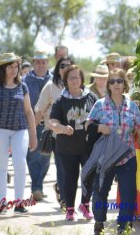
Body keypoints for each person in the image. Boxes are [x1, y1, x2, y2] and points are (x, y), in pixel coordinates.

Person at [87, 68, 140, 234]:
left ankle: (123, 227)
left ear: (124, 84)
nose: (116, 84)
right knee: (99, 193)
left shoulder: (132, 106)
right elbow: (87, 125)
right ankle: (99, 221)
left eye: (119, 81)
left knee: (128, 195)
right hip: (105, 157)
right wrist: (99, 127)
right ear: (109, 86)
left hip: (127, 158)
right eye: (112, 81)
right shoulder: (99, 104)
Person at [0, 53, 37, 214]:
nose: (14, 70)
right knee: (1, 166)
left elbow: (28, 112)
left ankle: (19, 203)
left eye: (16, 66)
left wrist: (33, 135)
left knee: (20, 163)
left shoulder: (23, 86)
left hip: (20, 130)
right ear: (3, 68)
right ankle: (2, 202)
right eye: (10, 66)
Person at [48, 65, 99, 221]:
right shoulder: (60, 100)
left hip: (88, 146)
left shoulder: (92, 98)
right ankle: (70, 209)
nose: (75, 80)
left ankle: (85, 205)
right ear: (66, 81)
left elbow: (101, 117)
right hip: (66, 147)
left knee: (88, 176)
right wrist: (62, 128)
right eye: (71, 78)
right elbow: (52, 122)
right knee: (70, 177)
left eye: (77, 77)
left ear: (82, 79)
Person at [35, 55, 74, 210]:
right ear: (58, 69)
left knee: (71, 169)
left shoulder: (78, 87)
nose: (65, 68)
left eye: (68, 65)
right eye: (62, 65)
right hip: (56, 134)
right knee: (62, 166)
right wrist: (31, 132)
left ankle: (61, 189)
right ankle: (65, 200)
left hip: (74, 135)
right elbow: (39, 110)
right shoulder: (50, 86)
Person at [24, 50, 52, 201]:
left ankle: (38, 184)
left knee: (46, 158)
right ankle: (36, 187)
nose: (41, 65)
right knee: (33, 156)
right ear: (33, 63)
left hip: (49, 125)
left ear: (48, 63)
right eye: (38, 62)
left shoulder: (54, 80)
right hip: (32, 124)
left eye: (43, 62)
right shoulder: (25, 80)